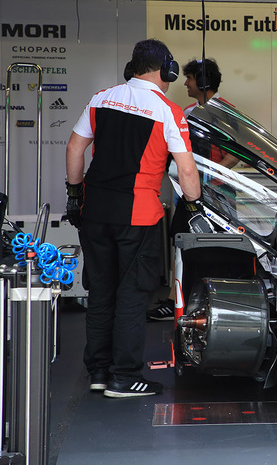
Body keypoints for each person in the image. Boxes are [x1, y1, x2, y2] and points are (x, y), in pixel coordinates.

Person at [65, 39, 204, 398]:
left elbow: (74, 147)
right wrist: (193, 205)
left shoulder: (101, 98)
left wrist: (74, 195)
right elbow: (187, 173)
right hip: (138, 216)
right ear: (166, 71)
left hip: (94, 212)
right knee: (131, 296)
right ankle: (123, 378)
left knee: (100, 293)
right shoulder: (168, 111)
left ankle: (98, 371)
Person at [147, 58, 237, 321]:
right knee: (182, 240)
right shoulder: (187, 112)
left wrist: (208, 180)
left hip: (219, 194)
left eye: (189, 78)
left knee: (220, 245)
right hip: (189, 191)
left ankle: (218, 302)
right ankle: (176, 302)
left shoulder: (226, 112)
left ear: (203, 81)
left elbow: (235, 155)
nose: (184, 82)